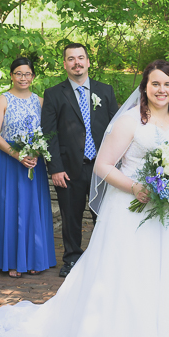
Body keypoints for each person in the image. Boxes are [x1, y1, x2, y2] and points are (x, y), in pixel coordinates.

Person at [0, 61, 169, 337]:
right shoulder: (130, 121)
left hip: (167, 215)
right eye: (155, 84)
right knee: (128, 277)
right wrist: (135, 187)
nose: (162, 90)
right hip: (131, 210)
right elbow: (102, 166)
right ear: (145, 87)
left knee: (168, 275)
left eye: (168, 85)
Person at [40, 43, 119, 277]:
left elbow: (116, 128)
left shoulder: (105, 91)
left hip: (102, 167)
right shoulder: (54, 94)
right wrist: (55, 168)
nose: (77, 63)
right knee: (71, 217)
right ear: (65, 64)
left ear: (88, 61)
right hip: (69, 168)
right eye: (71, 59)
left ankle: (103, 258)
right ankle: (72, 259)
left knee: (104, 216)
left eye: (81, 58)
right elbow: (49, 134)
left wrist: (117, 164)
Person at [0, 57, 57, 277]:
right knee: (11, 209)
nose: (23, 78)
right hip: (8, 162)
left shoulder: (42, 102)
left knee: (32, 209)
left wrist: (36, 153)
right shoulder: (2, 100)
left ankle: (35, 258)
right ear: (11, 75)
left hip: (33, 163)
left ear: (33, 77)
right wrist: (17, 154)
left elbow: (48, 132)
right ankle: (11, 261)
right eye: (18, 73)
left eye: (27, 74)